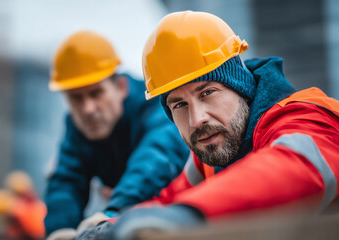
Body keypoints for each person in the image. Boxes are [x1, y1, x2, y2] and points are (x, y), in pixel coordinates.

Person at [77, 11, 339, 239]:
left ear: (242, 88)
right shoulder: (211, 155)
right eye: (179, 105)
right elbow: (167, 203)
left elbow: (292, 165)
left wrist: (190, 214)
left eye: (207, 93)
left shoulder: (308, 117)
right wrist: (109, 225)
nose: (197, 119)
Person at [44, 30, 189, 239]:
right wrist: (59, 230)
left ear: (121, 87)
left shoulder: (155, 103)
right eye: (76, 98)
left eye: (96, 93)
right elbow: (66, 180)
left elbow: (157, 156)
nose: (88, 109)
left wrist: (113, 212)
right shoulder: (76, 127)